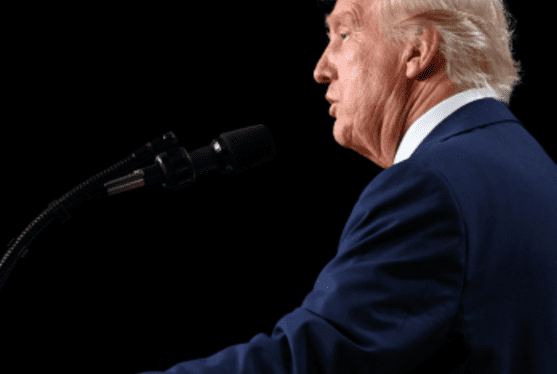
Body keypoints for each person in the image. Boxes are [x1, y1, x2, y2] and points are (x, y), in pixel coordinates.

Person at [138, 0, 557, 372]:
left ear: (417, 48)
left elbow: (313, 360)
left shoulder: (427, 186)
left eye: (343, 33)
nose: (321, 69)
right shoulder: (537, 167)